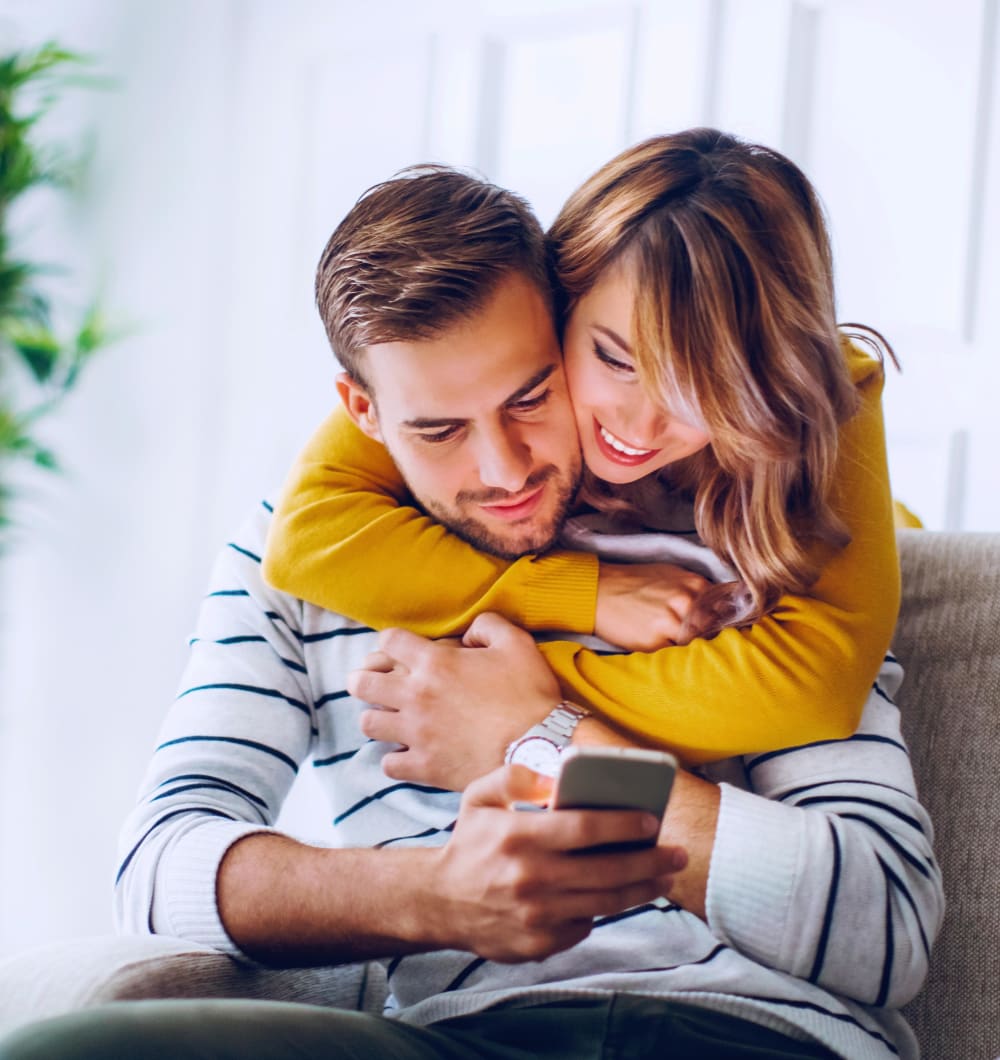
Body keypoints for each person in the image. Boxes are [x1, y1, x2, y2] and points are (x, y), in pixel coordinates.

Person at [0, 157, 941, 1060]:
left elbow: (884, 929)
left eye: (531, 396)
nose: (505, 471)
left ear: (561, 330)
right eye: (438, 429)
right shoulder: (291, 561)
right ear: (361, 411)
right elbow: (159, 873)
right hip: (458, 1035)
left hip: (750, 1031)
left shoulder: (750, 539)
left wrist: (541, 738)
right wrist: (435, 896)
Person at [261, 128, 901, 765]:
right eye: (615, 361)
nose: (641, 428)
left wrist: (514, 703)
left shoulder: (815, 387)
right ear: (562, 299)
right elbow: (306, 537)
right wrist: (583, 595)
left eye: (704, 390)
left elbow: (816, 688)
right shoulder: (467, 358)